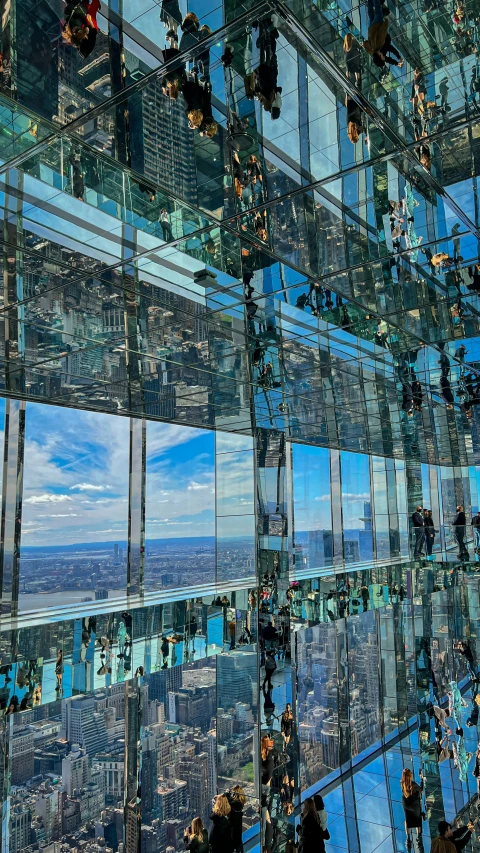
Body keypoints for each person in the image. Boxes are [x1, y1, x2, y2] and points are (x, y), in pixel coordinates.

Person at [401, 768, 424, 849]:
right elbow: (421, 790)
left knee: (408, 819)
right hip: (414, 804)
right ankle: (419, 838)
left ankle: (408, 840)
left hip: (406, 803)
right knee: (417, 819)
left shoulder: (402, 783)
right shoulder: (414, 785)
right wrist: (421, 779)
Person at [228, 786, 245, 853]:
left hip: (234, 825)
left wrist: (227, 794)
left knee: (235, 842)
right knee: (239, 841)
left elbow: (229, 803)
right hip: (238, 824)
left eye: (234, 793)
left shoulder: (236, 803)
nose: (233, 794)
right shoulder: (240, 802)